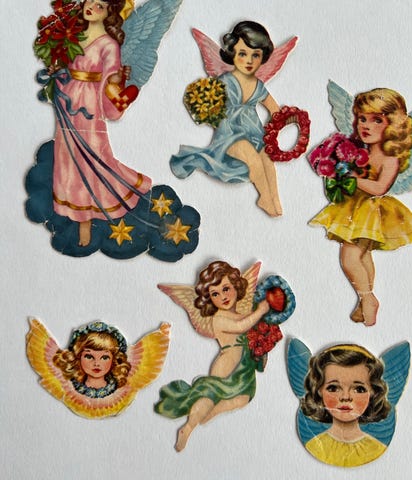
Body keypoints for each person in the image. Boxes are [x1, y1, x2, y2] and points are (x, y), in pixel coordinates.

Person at [309, 88, 412, 325]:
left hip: (371, 211)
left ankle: (368, 298)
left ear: (393, 126)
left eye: (376, 120)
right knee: (363, 256)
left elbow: (380, 187)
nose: (366, 126)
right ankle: (364, 302)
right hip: (352, 207)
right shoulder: (361, 149)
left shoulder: (390, 158)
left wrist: (352, 178)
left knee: (349, 257)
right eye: (362, 118)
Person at [52, 0, 152, 246]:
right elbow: (63, 62)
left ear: (109, 12)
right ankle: (74, 213)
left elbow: (110, 76)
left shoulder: (109, 44)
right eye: (90, 1)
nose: (91, 7)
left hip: (89, 103)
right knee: (67, 155)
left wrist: (117, 79)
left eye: (100, 6)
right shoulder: (73, 35)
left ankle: (88, 218)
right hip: (67, 98)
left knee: (93, 154)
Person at [170, 21, 283, 216]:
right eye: (242, 54)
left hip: (255, 134)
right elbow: (207, 102)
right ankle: (265, 197)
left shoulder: (258, 85)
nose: (249, 61)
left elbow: (275, 110)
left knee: (267, 161)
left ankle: (274, 199)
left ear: (263, 57)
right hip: (230, 135)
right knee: (253, 160)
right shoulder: (225, 81)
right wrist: (206, 111)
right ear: (232, 53)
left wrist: (289, 120)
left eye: (255, 55)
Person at [155, 261, 271, 451]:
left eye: (226, 289)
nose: (223, 297)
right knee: (210, 394)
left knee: (244, 398)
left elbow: (252, 329)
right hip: (227, 364)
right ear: (208, 299)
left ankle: (211, 413)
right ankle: (188, 427)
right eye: (215, 294)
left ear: (237, 286)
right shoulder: (218, 319)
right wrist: (260, 311)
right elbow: (241, 327)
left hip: (245, 367)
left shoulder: (240, 312)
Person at [301, 344, 391, 468]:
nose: (345, 397)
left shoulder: (377, 448)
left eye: (359, 389)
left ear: (373, 393)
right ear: (319, 390)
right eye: (333, 388)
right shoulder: (313, 446)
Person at [53, 322, 131, 398]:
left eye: (104, 358)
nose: (96, 363)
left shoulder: (118, 391)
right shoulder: (70, 388)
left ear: (114, 360)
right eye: (89, 356)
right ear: (78, 357)